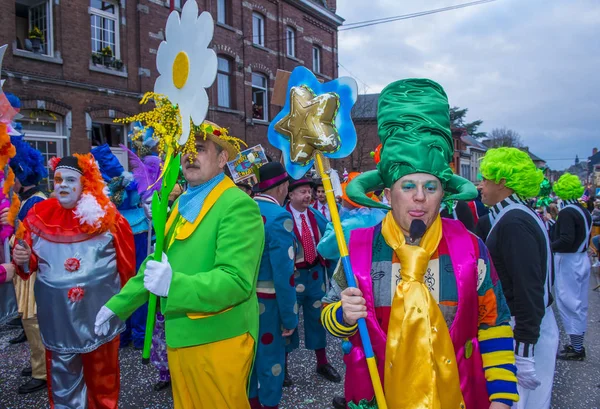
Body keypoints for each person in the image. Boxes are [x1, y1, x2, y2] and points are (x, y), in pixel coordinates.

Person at [322, 79, 517, 409]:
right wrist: (343, 314)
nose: (419, 197)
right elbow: (328, 316)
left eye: (431, 187)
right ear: (387, 193)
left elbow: (494, 324)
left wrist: (502, 396)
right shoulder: (356, 250)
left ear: (444, 194)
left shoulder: (471, 249)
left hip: (457, 396)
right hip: (378, 395)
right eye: (408, 185)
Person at [95, 122, 264, 409]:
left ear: (222, 159)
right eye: (185, 150)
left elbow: (235, 281)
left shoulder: (237, 205)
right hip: (181, 337)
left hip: (218, 338)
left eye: (199, 149)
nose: (189, 156)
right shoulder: (183, 202)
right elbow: (157, 263)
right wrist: (119, 305)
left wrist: (174, 285)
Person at [12, 154, 136, 408]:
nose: (63, 185)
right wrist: (21, 257)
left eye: (71, 179)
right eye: (58, 179)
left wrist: (122, 307)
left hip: (98, 320)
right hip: (58, 321)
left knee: (103, 379)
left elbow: (127, 268)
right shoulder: (37, 216)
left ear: (85, 185)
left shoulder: (109, 219)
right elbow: (28, 264)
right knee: (63, 381)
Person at [479, 147, 557, 409]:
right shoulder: (515, 214)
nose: (481, 185)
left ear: (503, 181)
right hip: (528, 325)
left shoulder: (513, 222)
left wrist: (524, 351)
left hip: (523, 328)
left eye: (486, 179)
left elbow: (529, 288)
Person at [248, 162, 297, 409]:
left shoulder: (243, 209)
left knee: (249, 361)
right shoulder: (279, 217)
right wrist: (289, 317)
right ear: (282, 186)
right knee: (270, 363)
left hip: (240, 300)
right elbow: (284, 275)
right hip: (268, 303)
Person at [285, 178, 341, 386]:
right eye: (302, 192)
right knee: (288, 320)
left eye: (309, 192)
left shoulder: (317, 216)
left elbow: (331, 242)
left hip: (316, 275)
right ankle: (283, 366)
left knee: (318, 317)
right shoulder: (283, 217)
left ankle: (322, 362)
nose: (308, 196)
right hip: (293, 277)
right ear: (290, 195)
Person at [4, 135, 49, 394]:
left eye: (13, 176)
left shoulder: (37, 202)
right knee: (30, 321)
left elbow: (33, 240)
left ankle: (42, 371)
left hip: (31, 273)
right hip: (24, 271)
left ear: (21, 176)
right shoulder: (29, 200)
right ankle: (38, 364)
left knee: (33, 321)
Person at [551, 173, 592, 360]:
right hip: (581, 258)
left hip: (569, 260)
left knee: (569, 302)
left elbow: (566, 239)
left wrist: (547, 246)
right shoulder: (582, 210)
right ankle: (577, 344)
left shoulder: (567, 211)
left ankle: (576, 349)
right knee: (579, 303)